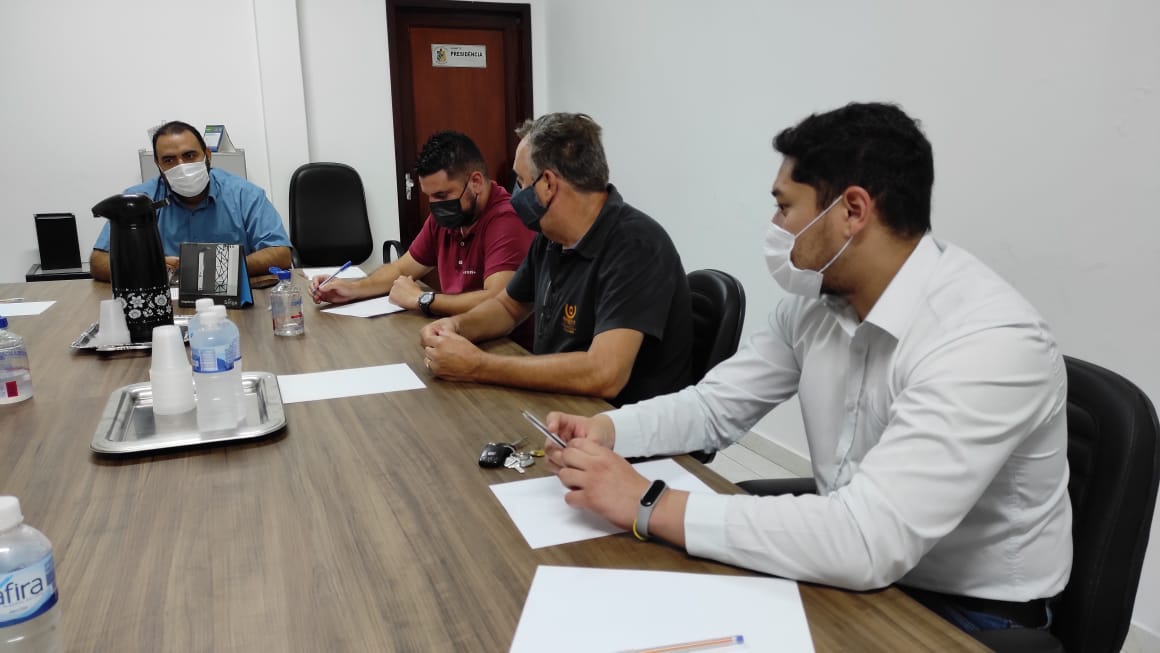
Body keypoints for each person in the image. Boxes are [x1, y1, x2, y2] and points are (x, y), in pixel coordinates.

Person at [543, 103, 1072, 635]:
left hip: (964, 613)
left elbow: (867, 540)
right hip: (852, 563)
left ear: (852, 211)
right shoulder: (818, 306)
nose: (776, 227)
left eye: (784, 207)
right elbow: (714, 406)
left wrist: (647, 502)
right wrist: (608, 429)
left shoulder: (985, 340)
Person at [419, 113, 693, 406]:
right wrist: (455, 327)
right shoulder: (550, 238)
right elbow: (508, 307)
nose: (514, 193)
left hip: (615, 419)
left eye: (521, 181)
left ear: (548, 184)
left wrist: (478, 365)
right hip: (559, 402)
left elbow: (604, 373)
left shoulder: (636, 246)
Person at [310, 131, 534, 332]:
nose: (435, 205)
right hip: (454, 332)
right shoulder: (447, 217)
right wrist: (352, 289)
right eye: (430, 196)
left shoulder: (506, 219)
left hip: (502, 345)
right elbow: (401, 268)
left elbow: (497, 300)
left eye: (442, 195)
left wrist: (423, 299)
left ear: (475, 182)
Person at [90, 120, 291, 282]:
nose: (181, 165)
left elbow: (280, 254)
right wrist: (151, 267)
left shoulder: (245, 194)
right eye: (169, 160)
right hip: (165, 298)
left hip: (231, 297)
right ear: (158, 164)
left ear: (207, 155)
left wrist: (213, 268)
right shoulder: (138, 201)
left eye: (189, 155)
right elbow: (99, 262)